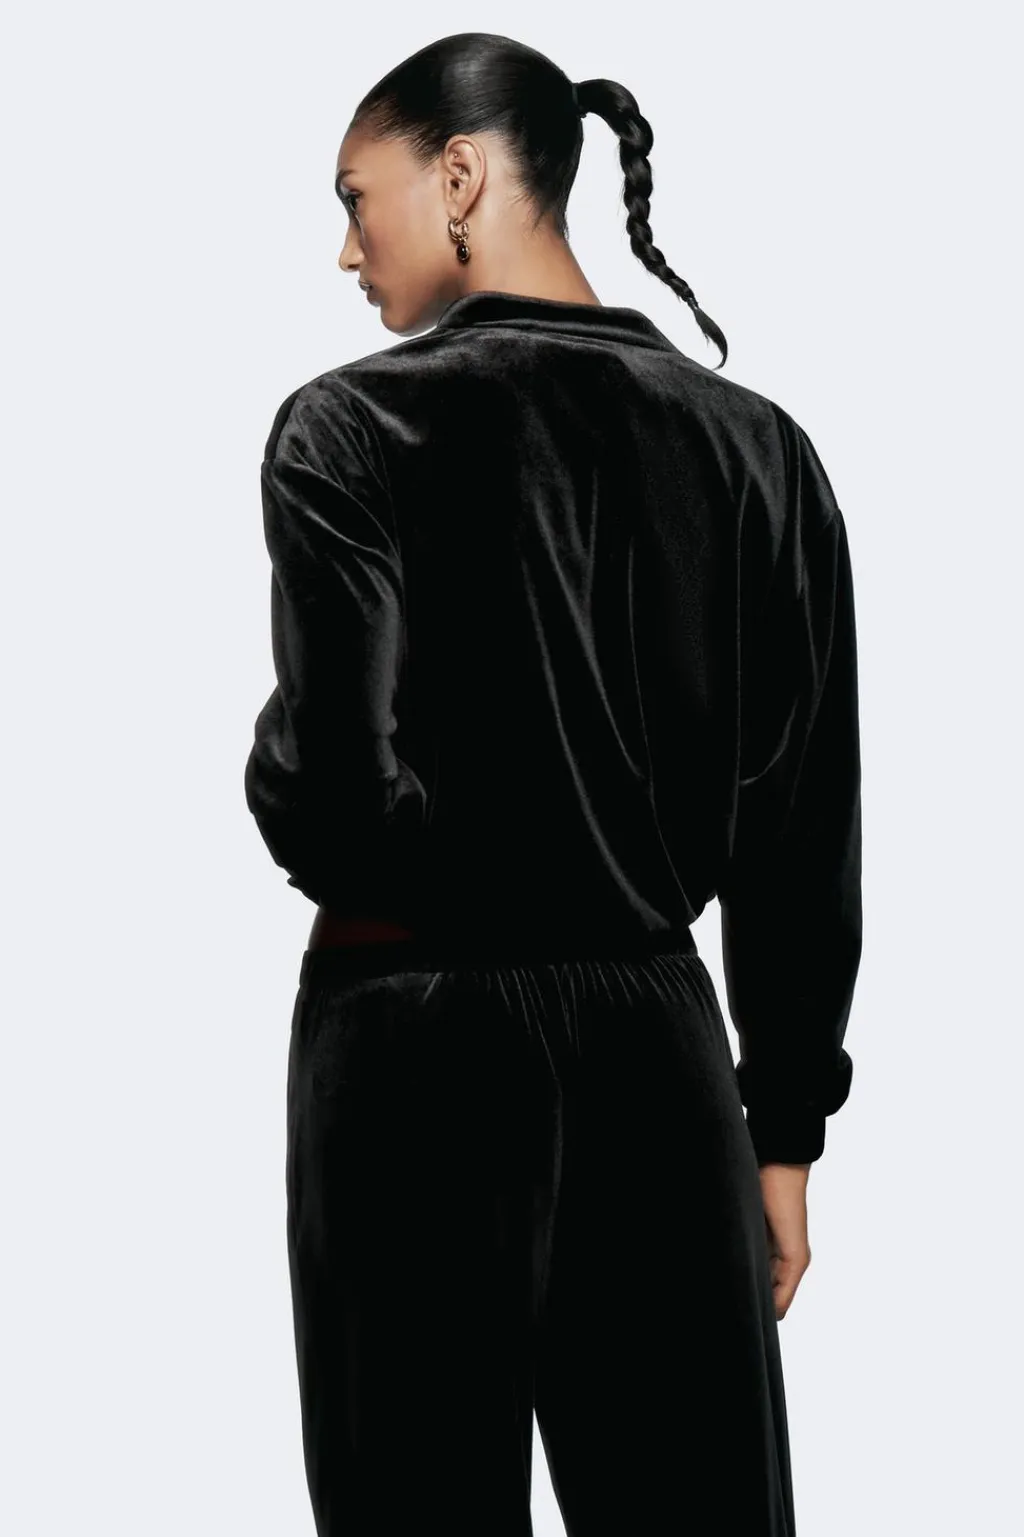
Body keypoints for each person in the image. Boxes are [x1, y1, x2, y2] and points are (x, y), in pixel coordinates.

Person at [243, 29, 863, 1537]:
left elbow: (336, 809)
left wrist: (275, 763)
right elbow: (802, 826)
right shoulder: (761, 453)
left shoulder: (349, 429)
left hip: (411, 1045)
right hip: (660, 1054)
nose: (345, 251)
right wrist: (780, 1132)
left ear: (458, 176)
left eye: (357, 199)